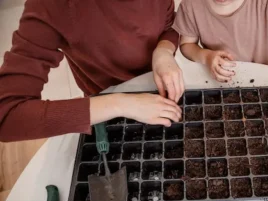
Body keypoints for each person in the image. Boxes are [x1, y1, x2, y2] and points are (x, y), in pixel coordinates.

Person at [0, 0, 184, 142]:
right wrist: (120, 104)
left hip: (156, 86)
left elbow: (169, 25)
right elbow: (8, 114)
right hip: (104, 103)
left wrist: (163, 50)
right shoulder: (52, 5)